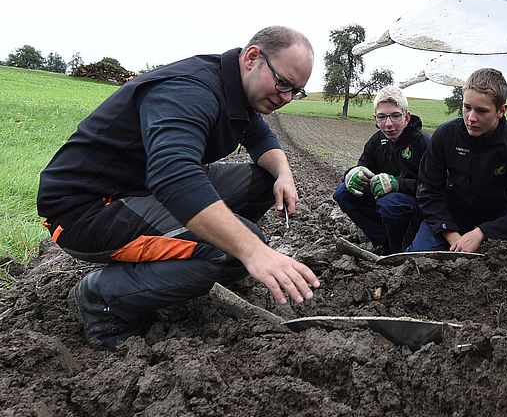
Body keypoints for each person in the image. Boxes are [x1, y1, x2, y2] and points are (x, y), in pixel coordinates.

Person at [37, 26, 321, 350]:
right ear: (252, 57)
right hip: (86, 210)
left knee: (262, 182)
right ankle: (102, 297)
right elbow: (174, 176)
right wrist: (252, 252)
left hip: (142, 189)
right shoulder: (190, 90)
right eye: (282, 83)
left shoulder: (237, 91)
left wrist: (284, 174)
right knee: (237, 246)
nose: (285, 98)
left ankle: (187, 270)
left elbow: (260, 138)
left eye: (295, 91)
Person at [411, 68, 507, 254]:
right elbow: (428, 192)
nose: (471, 118)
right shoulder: (445, 136)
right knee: (419, 256)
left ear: (501, 110)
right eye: (467, 107)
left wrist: (483, 233)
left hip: (499, 215)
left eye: (482, 111)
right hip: (452, 214)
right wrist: (453, 236)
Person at [333, 86, 429, 254]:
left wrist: (397, 184)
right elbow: (362, 166)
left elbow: (435, 187)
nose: (388, 123)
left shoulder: (423, 143)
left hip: (418, 206)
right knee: (343, 192)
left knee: (390, 203)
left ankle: (399, 249)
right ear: (375, 119)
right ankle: (383, 241)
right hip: (389, 202)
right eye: (382, 117)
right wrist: (352, 173)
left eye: (395, 116)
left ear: (406, 117)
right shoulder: (377, 141)